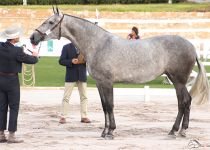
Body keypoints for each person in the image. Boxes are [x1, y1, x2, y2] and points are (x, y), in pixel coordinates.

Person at [0, 25, 39, 143]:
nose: (19, 37)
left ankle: (1, 134)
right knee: (14, 108)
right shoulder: (17, 51)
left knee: (1, 107)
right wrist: (36, 55)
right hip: (12, 81)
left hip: (0, 79)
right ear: (13, 38)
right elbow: (32, 60)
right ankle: (11, 135)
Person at [59, 42, 91, 124]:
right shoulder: (66, 47)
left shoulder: (85, 47)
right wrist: (71, 61)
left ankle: (84, 116)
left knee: (84, 97)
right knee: (66, 97)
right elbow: (61, 61)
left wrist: (86, 60)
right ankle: (63, 116)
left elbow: (90, 59)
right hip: (71, 76)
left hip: (82, 76)